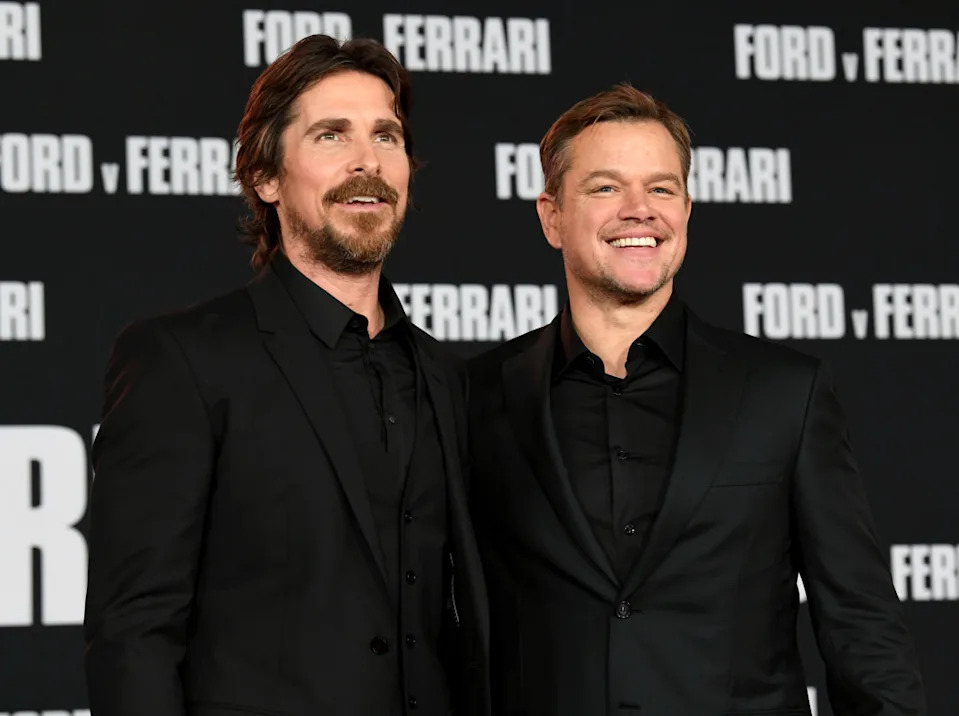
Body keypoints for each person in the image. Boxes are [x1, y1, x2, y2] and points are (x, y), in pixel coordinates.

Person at [467, 83, 925, 715]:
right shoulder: (475, 393)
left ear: (686, 209)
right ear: (551, 217)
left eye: (662, 188)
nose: (640, 210)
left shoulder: (783, 392)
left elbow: (861, 627)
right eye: (605, 188)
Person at [84, 35, 488, 716]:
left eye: (386, 136)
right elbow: (134, 638)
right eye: (331, 135)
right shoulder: (181, 360)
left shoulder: (450, 378)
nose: (368, 160)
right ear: (266, 178)